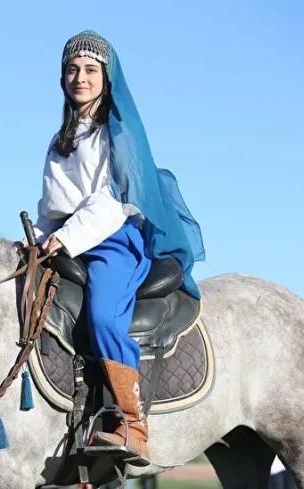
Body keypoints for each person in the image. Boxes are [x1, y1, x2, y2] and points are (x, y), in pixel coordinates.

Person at [31, 31, 204, 466]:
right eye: (72, 70)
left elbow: (110, 200)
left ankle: (133, 423)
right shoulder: (59, 140)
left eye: (90, 70)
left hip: (113, 238)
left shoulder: (116, 132)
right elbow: (51, 207)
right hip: (70, 239)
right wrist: (37, 240)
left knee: (104, 315)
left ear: (106, 78)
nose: (80, 78)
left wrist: (66, 237)